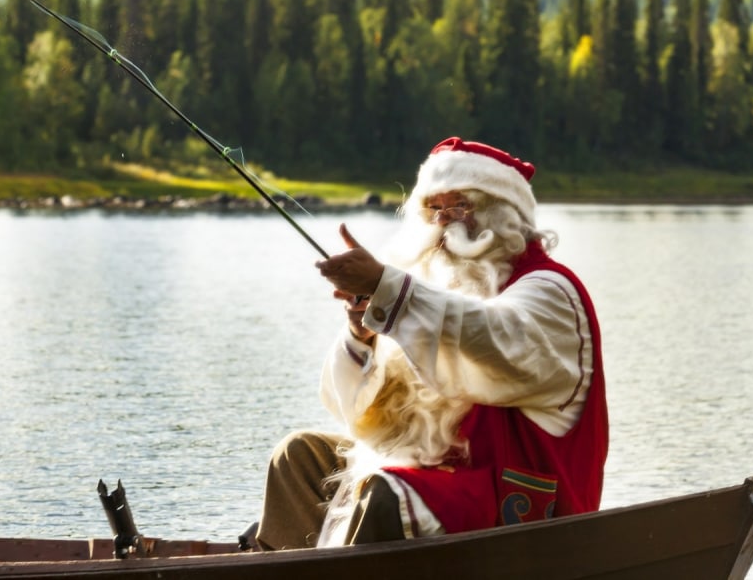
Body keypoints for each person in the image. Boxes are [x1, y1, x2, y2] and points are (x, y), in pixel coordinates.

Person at [255, 137, 607, 549]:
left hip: (514, 509)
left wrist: (388, 290)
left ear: (505, 215)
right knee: (297, 457)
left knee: (386, 494)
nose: (443, 222)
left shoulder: (551, 292)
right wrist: (362, 335)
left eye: (459, 206)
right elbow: (357, 414)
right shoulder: (426, 298)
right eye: (432, 208)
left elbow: (490, 341)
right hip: (431, 469)